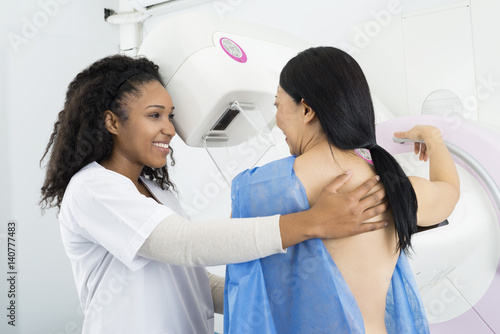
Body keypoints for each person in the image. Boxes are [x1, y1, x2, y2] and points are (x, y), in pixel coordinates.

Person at [39, 54, 389, 333]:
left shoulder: (156, 189)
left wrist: (277, 294)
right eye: (155, 115)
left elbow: (192, 280)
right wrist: (313, 222)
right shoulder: (92, 188)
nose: (170, 129)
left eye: (171, 115)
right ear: (112, 122)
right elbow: (184, 244)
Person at [224, 47, 460, 334]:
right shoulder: (391, 183)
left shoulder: (264, 188)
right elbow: (448, 192)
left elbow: (238, 263)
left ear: (307, 109)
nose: (277, 121)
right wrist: (433, 139)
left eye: (278, 105)